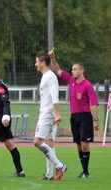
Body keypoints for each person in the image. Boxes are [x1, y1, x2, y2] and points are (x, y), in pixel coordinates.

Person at [49, 50, 99, 178]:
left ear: (82, 71)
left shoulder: (87, 85)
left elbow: (94, 103)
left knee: (84, 144)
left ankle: (86, 172)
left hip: (85, 117)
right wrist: (52, 58)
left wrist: (96, 120)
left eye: (75, 69)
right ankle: (83, 171)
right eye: (72, 69)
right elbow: (57, 70)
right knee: (78, 144)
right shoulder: (71, 81)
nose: (72, 71)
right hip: (74, 117)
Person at [33, 53, 67, 181]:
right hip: (47, 112)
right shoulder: (45, 76)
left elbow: (54, 96)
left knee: (37, 142)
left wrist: (57, 113)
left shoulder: (50, 77)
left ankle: (60, 166)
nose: (35, 64)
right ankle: (49, 174)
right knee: (49, 143)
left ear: (43, 63)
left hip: (48, 113)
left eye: (37, 61)